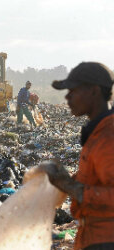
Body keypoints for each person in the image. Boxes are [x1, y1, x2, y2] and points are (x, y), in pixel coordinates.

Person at [40, 62, 114, 250]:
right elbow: (96, 182)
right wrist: (60, 180)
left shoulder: (108, 135)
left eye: (73, 90)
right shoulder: (97, 132)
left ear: (94, 91)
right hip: (92, 238)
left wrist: (70, 186)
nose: (67, 96)